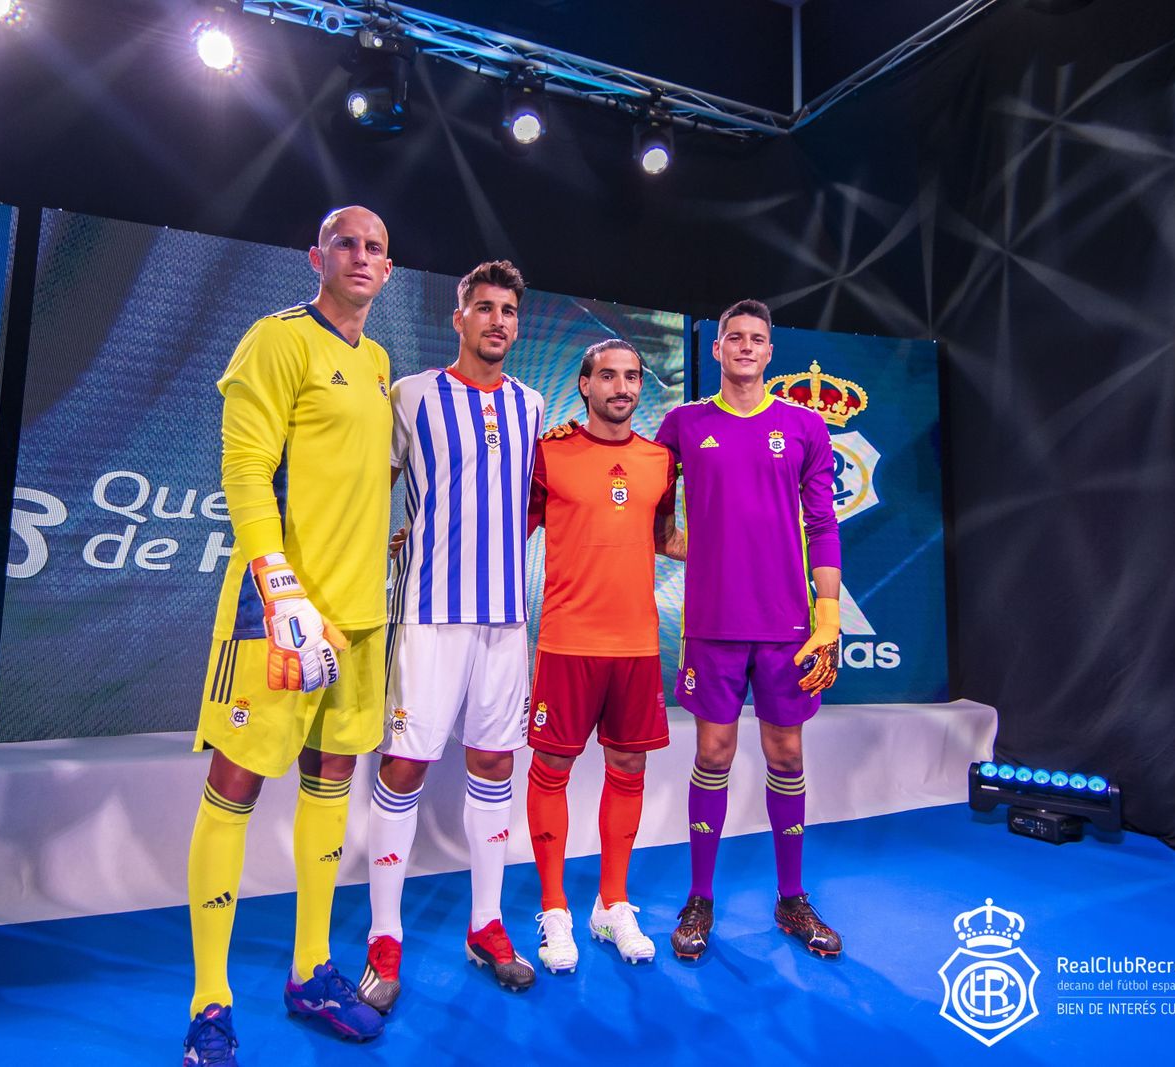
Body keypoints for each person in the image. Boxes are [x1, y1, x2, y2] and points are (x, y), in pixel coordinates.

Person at [183, 207, 394, 1063]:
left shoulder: (378, 361)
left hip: (357, 619)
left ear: (388, 269)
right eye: (346, 242)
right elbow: (243, 467)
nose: (362, 256)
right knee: (234, 785)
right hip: (280, 613)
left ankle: (311, 970)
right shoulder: (274, 340)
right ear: (317, 256)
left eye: (377, 248)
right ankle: (209, 1003)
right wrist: (277, 585)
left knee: (331, 780)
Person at [359, 261, 546, 1013]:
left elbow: (531, 502)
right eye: (484, 308)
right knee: (403, 766)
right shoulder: (410, 395)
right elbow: (370, 487)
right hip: (428, 614)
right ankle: (384, 934)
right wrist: (393, 540)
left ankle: (487, 922)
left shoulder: (534, 405)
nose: (498, 320)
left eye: (509, 311)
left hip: (505, 620)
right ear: (458, 316)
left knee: (495, 763)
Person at [653, 298, 845, 962]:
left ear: (769, 352)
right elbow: (654, 516)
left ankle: (791, 897)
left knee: (787, 755)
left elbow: (822, 524)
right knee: (713, 755)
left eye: (756, 339)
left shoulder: (803, 427)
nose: (743, 346)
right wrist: (690, 546)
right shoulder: (682, 423)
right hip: (712, 624)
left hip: (789, 626)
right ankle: (700, 896)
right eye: (733, 336)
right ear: (716, 349)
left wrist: (828, 615)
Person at [523, 339, 677, 973]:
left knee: (628, 767)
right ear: (583, 385)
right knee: (552, 768)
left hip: (637, 645)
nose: (622, 386)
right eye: (607, 376)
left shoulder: (660, 461)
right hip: (566, 641)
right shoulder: (549, 454)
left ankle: (611, 903)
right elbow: (504, 532)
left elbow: (667, 537)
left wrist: (750, 546)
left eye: (632, 376)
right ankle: (555, 909)